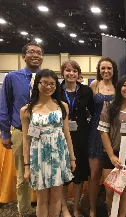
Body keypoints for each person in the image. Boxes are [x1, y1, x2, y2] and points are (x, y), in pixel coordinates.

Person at [20, 69, 76, 217]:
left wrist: (72, 158)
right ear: (37, 84)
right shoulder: (26, 110)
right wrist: (26, 166)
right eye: (44, 83)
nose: (48, 87)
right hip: (38, 156)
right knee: (42, 198)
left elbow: (66, 133)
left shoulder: (62, 106)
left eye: (52, 83)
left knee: (57, 197)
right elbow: (26, 139)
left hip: (59, 154)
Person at [0, 42, 43, 217]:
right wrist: (4, 132)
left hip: (44, 133)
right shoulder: (12, 77)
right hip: (20, 131)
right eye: (31, 52)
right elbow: (5, 105)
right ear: (23, 56)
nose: (35, 55)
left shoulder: (47, 77)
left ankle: (43, 208)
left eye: (39, 53)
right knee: (22, 175)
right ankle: (24, 211)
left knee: (43, 172)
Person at [98, 74, 126, 217]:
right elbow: (103, 131)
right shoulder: (109, 106)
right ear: (119, 88)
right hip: (112, 153)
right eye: (125, 85)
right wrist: (111, 155)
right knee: (110, 190)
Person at [59, 60, 94, 217]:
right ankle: (64, 208)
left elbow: (93, 112)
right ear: (63, 73)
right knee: (63, 174)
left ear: (79, 74)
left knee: (78, 173)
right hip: (60, 136)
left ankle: (76, 208)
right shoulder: (56, 91)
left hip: (81, 136)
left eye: (74, 71)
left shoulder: (86, 91)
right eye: (68, 70)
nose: (71, 73)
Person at [87, 57, 118, 217]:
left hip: (113, 134)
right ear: (99, 70)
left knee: (112, 175)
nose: (106, 71)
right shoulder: (94, 85)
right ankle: (92, 209)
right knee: (94, 175)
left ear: (113, 70)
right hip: (95, 133)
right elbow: (91, 109)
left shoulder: (118, 87)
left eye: (109, 68)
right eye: (103, 68)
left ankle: (111, 208)